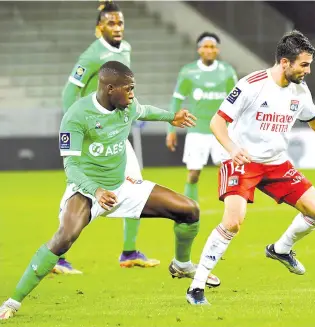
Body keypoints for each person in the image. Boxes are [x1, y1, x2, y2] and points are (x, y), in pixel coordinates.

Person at [0, 61, 220, 320]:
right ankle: (13, 302)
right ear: (109, 88)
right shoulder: (77, 115)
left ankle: (182, 265)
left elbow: (143, 110)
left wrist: (171, 116)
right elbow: (71, 168)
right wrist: (96, 191)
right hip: (86, 190)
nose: (132, 94)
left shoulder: (125, 106)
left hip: (122, 187)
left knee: (189, 210)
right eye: (128, 89)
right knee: (64, 238)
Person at [185, 30, 315, 305]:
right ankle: (196, 286)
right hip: (242, 161)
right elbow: (217, 122)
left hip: (275, 163)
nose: (308, 71)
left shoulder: (300, 91)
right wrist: (232, 148)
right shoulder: (252, 84)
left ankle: (281, 249)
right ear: (285, 62)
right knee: (233, 222)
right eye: (304, 65)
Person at [58, 1, 159, 274]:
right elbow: (69, 94)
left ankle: (129, 251)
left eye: (120, 22)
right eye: (111, 23)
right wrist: (82, 128)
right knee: (83, 195)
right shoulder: (91, 55)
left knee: (134, 185)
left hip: (116, 133)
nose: (117, 28)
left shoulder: (125, 49)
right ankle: (57, 253)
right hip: (96, 137)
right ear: (98, 28)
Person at [166, 32, 238, 202]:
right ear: (199, 49)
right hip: (196, 130)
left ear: (217, 50)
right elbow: (176, 100)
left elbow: (237, 102)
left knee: (228, 171)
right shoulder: (188, 71)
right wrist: (171, 130)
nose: (209, 50)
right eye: (205, 46)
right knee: (193, 174)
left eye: (212, 47)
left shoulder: (227, 72)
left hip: (222, 131)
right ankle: (190, 210)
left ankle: (232, 210)